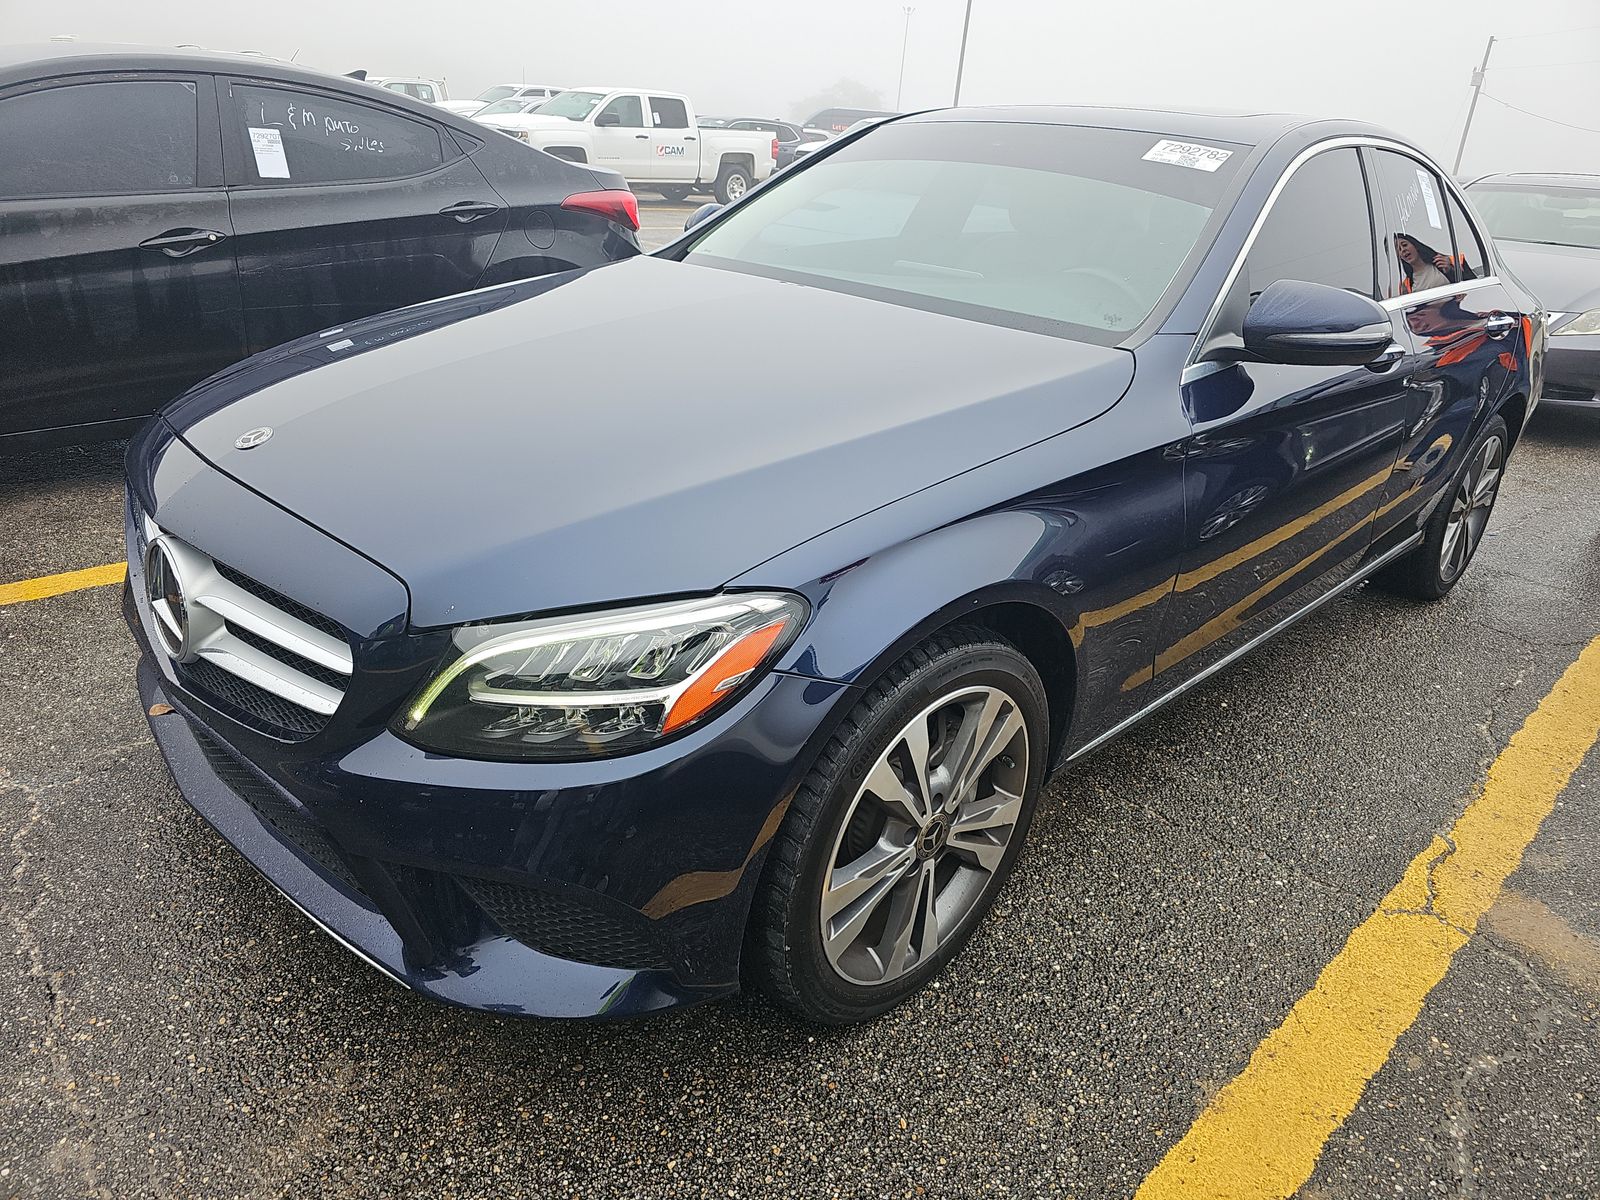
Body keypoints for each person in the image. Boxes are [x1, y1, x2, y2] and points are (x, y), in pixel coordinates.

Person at [1393, 234, 1476, 295]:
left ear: (1415, 245)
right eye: (1398, 249)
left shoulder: (1448, 261)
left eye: (1405, 245)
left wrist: (1451, 270)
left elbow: (1475, 286)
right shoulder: (1407, 285)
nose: (1403, 250)